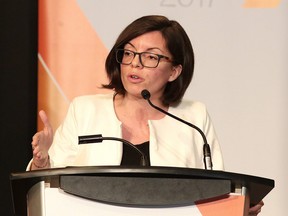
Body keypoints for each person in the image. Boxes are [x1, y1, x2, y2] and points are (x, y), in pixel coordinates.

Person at [29, 15, 263, 215]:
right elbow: (48, 189)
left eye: (151, 57)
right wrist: (41, 162)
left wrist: (241, 206)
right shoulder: (85, 110)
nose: (135, 64)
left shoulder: (194, 117)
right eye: (129, 53)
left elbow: (217, 191)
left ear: (174, 71)